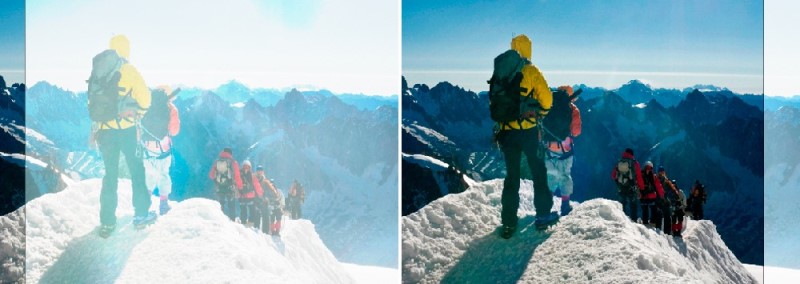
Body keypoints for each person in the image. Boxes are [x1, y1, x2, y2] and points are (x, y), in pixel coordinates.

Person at [490, 34, 554, 239]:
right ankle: (543, 216)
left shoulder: (501, 70)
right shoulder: (531, 70)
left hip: (506, 132)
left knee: (512, 176)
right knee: (538, 171)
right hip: (527, 131)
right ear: (529, 49)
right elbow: (547, 99)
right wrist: (540, 113)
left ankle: (508, 222)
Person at [91, 35, 154, 238]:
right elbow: (145, 99)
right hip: (126, 130)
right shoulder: (129, 70)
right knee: (136, 169)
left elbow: (91, 103)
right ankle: (141, 214)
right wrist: (137, 114)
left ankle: (107, 222)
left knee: (110, 175)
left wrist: (98, 128)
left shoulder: (98, 71)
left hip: (105, 131)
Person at [140, 85, 180, 215]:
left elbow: (139, 128)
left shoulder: (147, 106)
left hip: (146, 148)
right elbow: (174, 131)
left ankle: (144, 205)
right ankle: (163, 205)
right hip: (163, 149)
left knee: (149, 175)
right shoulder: (170, 109)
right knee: (163, 175)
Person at [543, 85, 581, 216]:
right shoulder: (572, 109)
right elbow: (576, 132)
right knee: (565, 176)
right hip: (565, 149)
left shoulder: (549, 105)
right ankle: (565, 206)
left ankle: (546, 207)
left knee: (551, 176)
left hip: (548, 147)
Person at [208, 147, 242, 221]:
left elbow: (211, 175)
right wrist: (240, 187)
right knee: (231, 205)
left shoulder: (217, 161)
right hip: (230, 187)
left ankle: (220, 221)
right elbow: (237, 176)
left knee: (220, 205)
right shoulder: (233, 162)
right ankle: (232, 221)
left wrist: (218, 180)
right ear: (230, 153)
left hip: (220, 187)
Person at [611, 148, 644, 222]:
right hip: (632, 188)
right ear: (632, 154)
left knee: (622, 205)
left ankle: (622, 222)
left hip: (621, 187)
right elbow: (639, 177)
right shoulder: (635, 163)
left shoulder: (619, 162)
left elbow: (613, 175)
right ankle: (634, 222)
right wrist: (641, 188)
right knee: (633, 205)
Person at [257, 166, 283, 235]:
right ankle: (275, 231)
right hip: (272, 204)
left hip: (267, 203)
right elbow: (279, 197)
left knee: (271, 219)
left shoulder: (264, 182)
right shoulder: (275, 189)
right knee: (276, 218)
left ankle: (271, 231)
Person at [640, 161, 665, 232]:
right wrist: (662, 196)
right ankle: (652, 224)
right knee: (653, 210)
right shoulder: (654, 176)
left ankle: (645, 224)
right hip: (651, 196)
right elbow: (658, 186)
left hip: (643, 196)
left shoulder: (640, 175)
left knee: (645, 211)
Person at [238, 160, 263, 227]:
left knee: (243, 211)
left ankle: (243, 223)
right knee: (252, 210)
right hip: (250, 196)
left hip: (242, 196)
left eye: (247, 167)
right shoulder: (252, 176)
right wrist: (261, 195)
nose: (246, 168)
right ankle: (251, 223)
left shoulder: (239, 175)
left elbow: (236, 184)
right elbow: (257, 186)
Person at [654, 166, 673, 235]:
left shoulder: (657, 179)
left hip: (659, 200)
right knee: (665, 217)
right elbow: (671, 190)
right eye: (661, 172)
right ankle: (666, 233)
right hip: (662, 200)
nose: (662, 173)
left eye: (662, 172)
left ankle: (660, 232)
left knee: (661, 216)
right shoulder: (666, 180)